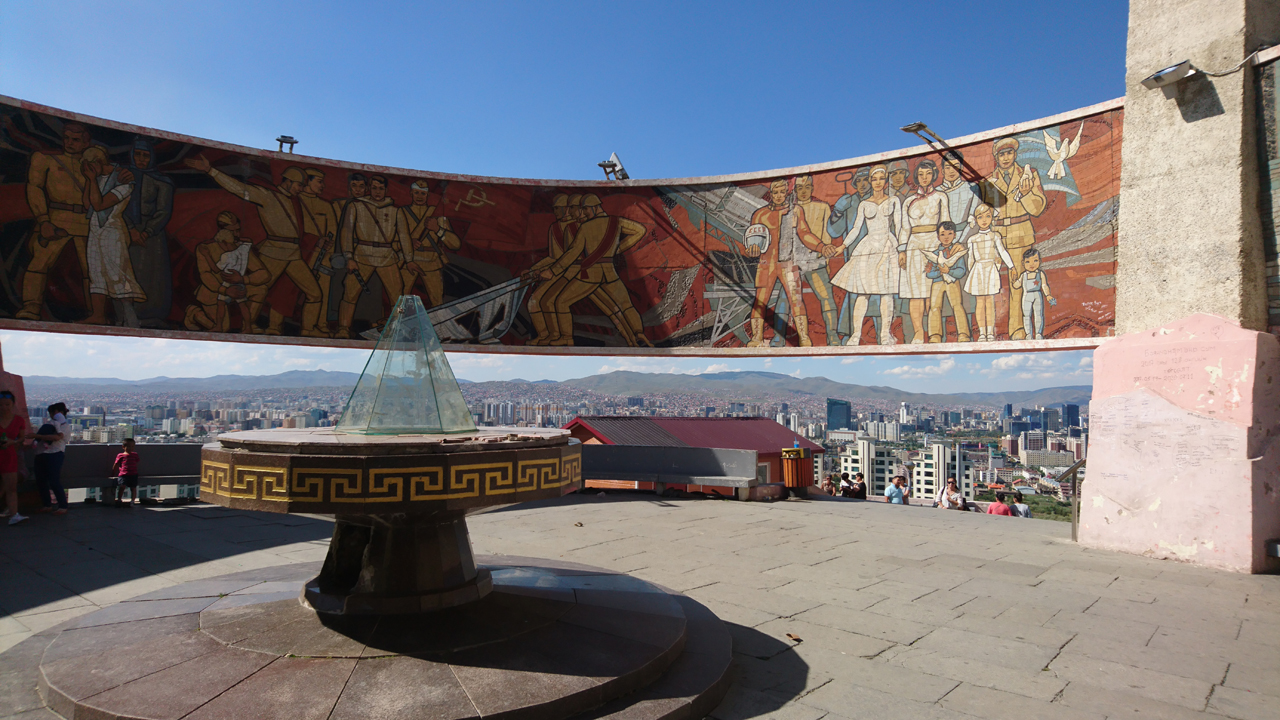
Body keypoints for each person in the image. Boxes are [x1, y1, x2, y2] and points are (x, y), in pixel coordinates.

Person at [979, 137, 1047, 340]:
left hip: (1020, 232)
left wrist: (1025, 194)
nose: (1006, 158)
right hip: (996, 234)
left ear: (1015, 154)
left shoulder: (1029, 174)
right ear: (996, 157)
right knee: (988, 284)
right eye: (1002, 154)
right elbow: (985, 212)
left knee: (1018, 283)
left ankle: (1018, 330)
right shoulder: (989, 181)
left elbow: (1038, 208)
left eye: (1009, 153)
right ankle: (987, 331)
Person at [829, 165, 904, 345]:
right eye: (874, 179)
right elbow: (856, 228)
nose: (878, 182)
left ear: (885, 181)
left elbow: (899, 226)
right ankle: (856, 335)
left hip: (887, 246)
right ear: (871, 181)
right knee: (862, 293)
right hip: (868, 248)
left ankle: (884, 335)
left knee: (886, 293)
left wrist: (902, 249)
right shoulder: (864, 204)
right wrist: (843, 246)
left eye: (881, 179)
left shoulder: (893, 200)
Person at [80, 146, 146, 327]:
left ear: (99, 162)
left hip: (113, 232)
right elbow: (87, 205)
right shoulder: (97, 179)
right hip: (95, 230)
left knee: (118, 273)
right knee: (96, 272)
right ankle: (98, 315)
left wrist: (92, 180)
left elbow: (99, 205)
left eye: (90, 165)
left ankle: (129, 316)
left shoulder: (123, 179)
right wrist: (90, 181)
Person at [899, 159, 949, 344]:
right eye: (921, 174)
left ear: (934, 175)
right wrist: (902, 250)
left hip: (934, 243)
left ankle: (933, 331)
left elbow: (945, 223)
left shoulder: (941, 197)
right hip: (914, 246)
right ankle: (918, 332)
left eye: (928, 173)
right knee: (915, 292)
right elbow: (904, 228)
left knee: (931, 291)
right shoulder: (909, 201)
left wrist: (943, 248)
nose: (924, 177)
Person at [963, 204, 1015, 342]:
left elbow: (1002, 252)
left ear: (992, 218)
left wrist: (1011, 266)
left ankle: (990, 332)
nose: (984, 220)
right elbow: (971, 259)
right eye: (980, 217)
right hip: (978, 270)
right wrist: (972, 273)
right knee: (980, 302)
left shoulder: (995, 236)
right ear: (976, 220)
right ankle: (982, 333)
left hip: (991, 270)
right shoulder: (972, 239)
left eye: (987, 216)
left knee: (990, 302)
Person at [923, 221, 970, 342]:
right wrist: (940, 272)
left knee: (957, 305)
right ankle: (935, 335)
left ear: (954, 235)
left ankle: (963, 334)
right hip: (938, 282)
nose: (946, 237)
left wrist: (949, 271)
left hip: (952, 282)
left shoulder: (956, 251)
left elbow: (961, 271)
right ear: (938, 236)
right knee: (934, 307)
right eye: (942, 234)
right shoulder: (934, 254)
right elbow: (929, 273)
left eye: (949, 233)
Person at [31, 402, 70, 515]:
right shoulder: (50, 424)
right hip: (42, 454)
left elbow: (57, 437)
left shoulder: (64, 426)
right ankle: (47, 504)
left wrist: (37, 436)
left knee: (54, 481)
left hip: (55, 454)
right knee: (41, 481)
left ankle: (62, 506)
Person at [1012, 248, 1055, 340]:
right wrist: (1013, 280)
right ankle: (1028, 334)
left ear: (1040, 261)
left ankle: (1038, 333)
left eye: (1035, 261)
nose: (1032, 264)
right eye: (1028, 262)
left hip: (1037, 295)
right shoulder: (1023, 275)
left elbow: (1044, 285)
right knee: (1026, 315)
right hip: (1026, 296)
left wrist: (1048, 295)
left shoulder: (1040, 273)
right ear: (1023, 263)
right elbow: (1017, 285)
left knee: (1038, 315)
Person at [0, 390, 29, 525]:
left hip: (9, 455)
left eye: (7, 404)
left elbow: (22, 437)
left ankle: (14, 514)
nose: (4, 407)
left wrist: (13, 442)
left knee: (11, 487)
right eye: (1, 405)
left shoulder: (18, 420)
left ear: (12, 404)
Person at [112, 438, 141, 506]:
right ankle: (119, 499)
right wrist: (113, 473)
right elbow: (116, 464)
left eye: (132, 446)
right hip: (123, 474)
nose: (131, 448)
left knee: (133, 488)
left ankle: (132, 501)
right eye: (129, 446)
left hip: (133, 474)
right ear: (123, 447)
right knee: (122, 486)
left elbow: (137, 463)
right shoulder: (120, 455)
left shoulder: (135, 455)